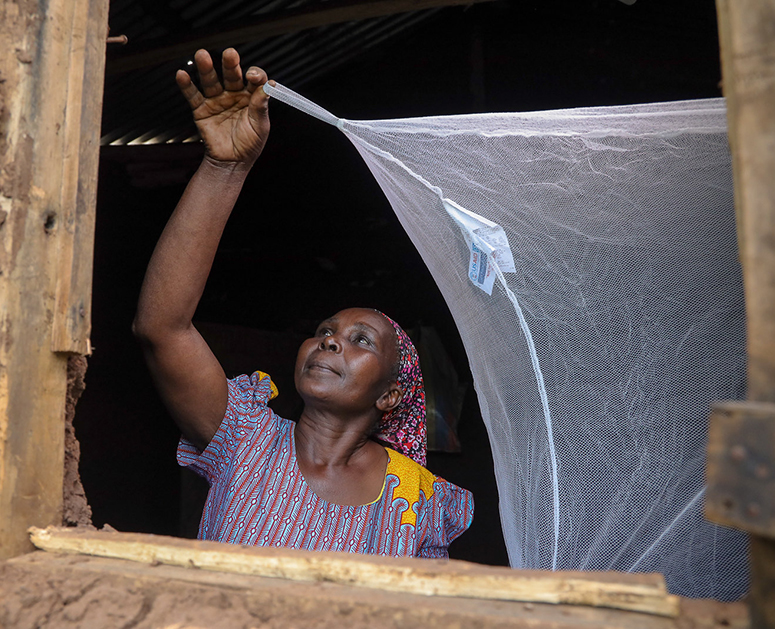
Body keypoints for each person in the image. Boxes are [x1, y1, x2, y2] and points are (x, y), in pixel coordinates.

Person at [133, 48, 473, 558]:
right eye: (325, 330)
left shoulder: (418, 502)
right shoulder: (244, 438)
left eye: (361, 341)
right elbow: (162, 328)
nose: (330, 340)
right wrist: (223, 167)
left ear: (389, 395)